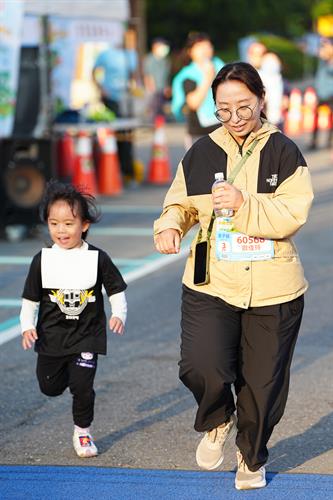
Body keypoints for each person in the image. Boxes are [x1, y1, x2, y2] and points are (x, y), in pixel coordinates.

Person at [154, 62, 313, 490]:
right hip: (213, 281)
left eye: (244, 106)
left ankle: (251, 457)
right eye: (224, 109)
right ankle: (217, 419)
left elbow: (291, 214)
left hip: (274, 287)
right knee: (200, 365)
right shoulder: (202, 151)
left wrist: (243, 203)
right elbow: (180, 203)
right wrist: (169, 225)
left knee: (263, 386)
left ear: (261, 99)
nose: (236, 117)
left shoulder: (285, 151)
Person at [20, 182, 127, 458]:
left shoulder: (97, 258)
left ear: (84, 225)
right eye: (54, 223)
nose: (61, 230)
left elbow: (115, 289)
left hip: (86, 335)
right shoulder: (41, 261)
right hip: (52, 338)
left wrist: (119, 314)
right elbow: (30, 300)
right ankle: (69, 372)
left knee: (82, 386)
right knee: (50, 387)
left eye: (69, 223)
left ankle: (82, 432)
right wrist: (27, 327)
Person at [92, 32, 138, 182]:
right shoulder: (105, 54)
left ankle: (127, 170)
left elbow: (134, 74)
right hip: (110, 98)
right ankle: (113, 169)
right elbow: (94, 71)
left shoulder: (130, 54)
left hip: (126, 98)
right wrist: (100, 88)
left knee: (126, 136)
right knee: (113, 135)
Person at [171, 32, 224, 149]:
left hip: (224, 129)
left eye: (207, 46)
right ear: (190, 52)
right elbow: (193, 103)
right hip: (199, 133)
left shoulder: (221, 67)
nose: (205, 50)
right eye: (200, 47)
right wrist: (208, 77)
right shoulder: (187, 75)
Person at [309, 37, 333, 150]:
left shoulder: (329, 62)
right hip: (321, 93)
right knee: (315, 117)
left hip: (331, 93)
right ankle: (314, 141)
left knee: (331, 118)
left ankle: (329, 141)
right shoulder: (321, 62)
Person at [143, 37, 171, 121]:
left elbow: (166, 75)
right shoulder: (149, 59)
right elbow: (147, 75)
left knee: (160, 110)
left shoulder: (165, 60)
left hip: (162, 89)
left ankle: (160, 125)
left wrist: (167, 87)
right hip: (154, 90)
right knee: (153, 109)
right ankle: (152, 125)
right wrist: (150, 87)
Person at [259, 51, 285, 129]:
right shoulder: (259, 77)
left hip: (279, 120)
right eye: (268, 60)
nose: (271, 63)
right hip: (264, 121)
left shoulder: (279, 79)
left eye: (274, 60)